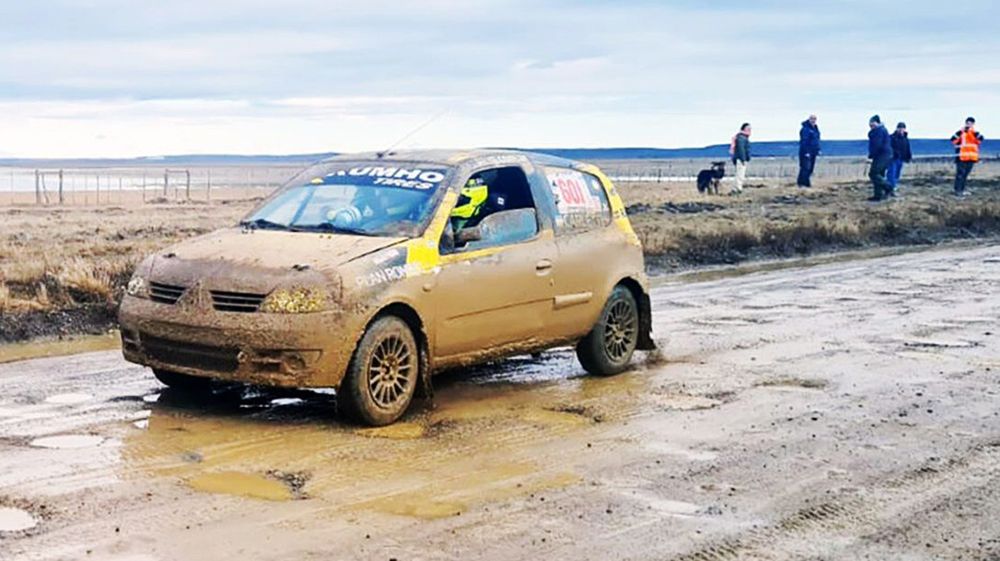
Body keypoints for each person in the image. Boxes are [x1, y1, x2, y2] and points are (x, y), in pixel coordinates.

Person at [950, 117, 984, 197]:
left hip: (971, 158)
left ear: (973, 124)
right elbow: (953, 139)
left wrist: (974, 132)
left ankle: (961, 190)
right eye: (968, 123)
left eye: (971, 123)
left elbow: (980, 139)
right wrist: (961, 131)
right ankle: (958, 191)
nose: (969, 125)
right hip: (961, 157)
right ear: (965, 123)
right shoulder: (961, 133)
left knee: (965, 175)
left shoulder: (975, 133)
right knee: (960, 174)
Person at [867, 115, 894, 201]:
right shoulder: (881, 130)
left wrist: (871, 155)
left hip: (882, 155)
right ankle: (878, 195)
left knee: (874, 173)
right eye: (870, 124)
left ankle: (888, 187)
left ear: (877, 123)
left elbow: (876, 145)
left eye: (872, 123)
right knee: (880, 174)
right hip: (885, 155)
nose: (871, 125)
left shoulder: (879, 131)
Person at [797, 114, 821, 187]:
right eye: (812, 119)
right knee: (805, 168)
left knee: (810, 168)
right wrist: (806, 152)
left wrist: (818, 149)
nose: (813, 120)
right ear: (809, 119)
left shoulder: (815, 129)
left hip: (813, 151)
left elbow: (816, 140)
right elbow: (804, 141)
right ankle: (804, 183)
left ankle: (802, 183)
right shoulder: (805, 129)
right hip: (806, 152)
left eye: (814, 119)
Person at [888, 122, 913, 190]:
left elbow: (907, 148)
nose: (901, 130)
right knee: (891, 173)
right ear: (897, 129)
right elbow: (888, 147)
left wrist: (909, 157)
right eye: (900, 128)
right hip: (893, 159)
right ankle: (890, 187)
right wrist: (893, 154)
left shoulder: (905, 139)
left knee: (897, 174)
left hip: (901, 158)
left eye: (903, 128)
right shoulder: (892, 137)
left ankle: (894, 186)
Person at [729, 123, 751, 194]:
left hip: (739, 158)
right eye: (748, 128)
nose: (750, 130)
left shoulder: (741, 137)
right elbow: (741, 149)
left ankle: (737, 188)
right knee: (740, 174)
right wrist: (743, 159)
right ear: (744, 129)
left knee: (739, 174)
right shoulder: (741, 138)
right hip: (740, 159)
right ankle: (738, 189)